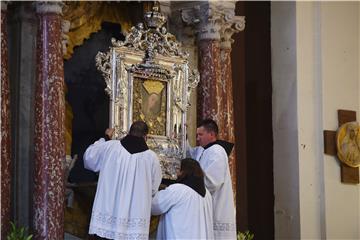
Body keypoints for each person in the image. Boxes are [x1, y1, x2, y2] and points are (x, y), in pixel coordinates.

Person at [84, 121, 162, 239]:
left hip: (108, 213)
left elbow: (89, 158)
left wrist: (105, 138)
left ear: (129, 132)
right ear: (146, 137)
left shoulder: (110, 147)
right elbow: (153, 189)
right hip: (133, 220)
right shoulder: (152, 158)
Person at [187, 119, 236, 239]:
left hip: (216, 208)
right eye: (197, 135)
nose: (197, 138)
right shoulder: (203, 150)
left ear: (212, 134)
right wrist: (182, 136)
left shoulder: (217, 151)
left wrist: (188, 189)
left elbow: (212, 182)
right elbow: (188, 153)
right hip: (206, 207)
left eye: (200, 135)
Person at [151, 158, 214, 239]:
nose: (176, 173)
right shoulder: (207, 194)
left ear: (183, 172)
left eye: (178, 169)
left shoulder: (178, 189)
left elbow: (155, 206)